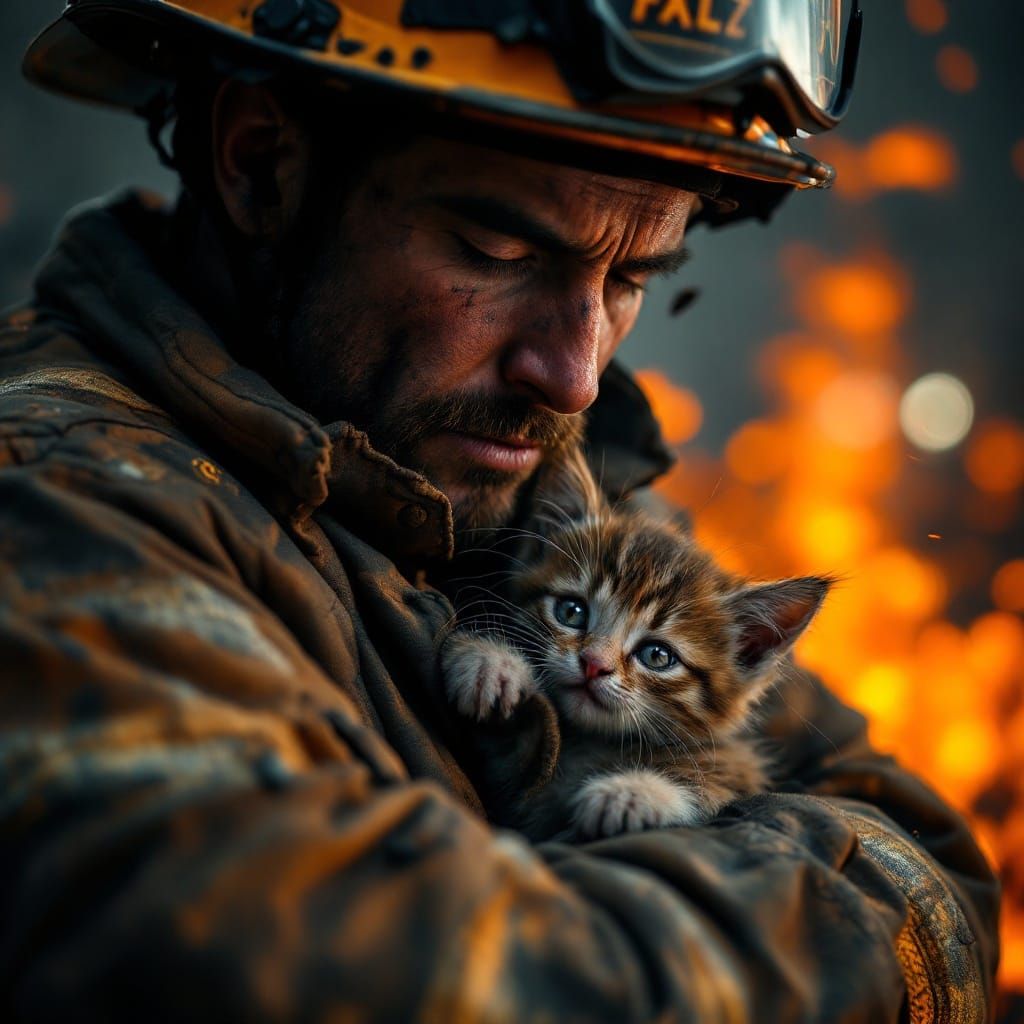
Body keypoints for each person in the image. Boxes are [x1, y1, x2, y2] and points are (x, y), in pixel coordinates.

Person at [0, 1, 999, 1020]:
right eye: (499, 250)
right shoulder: (61, 522)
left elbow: (939, 866)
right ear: (260, 162)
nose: (574, 377)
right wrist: (809, 905)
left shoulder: (534, 482)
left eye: (631, 277)